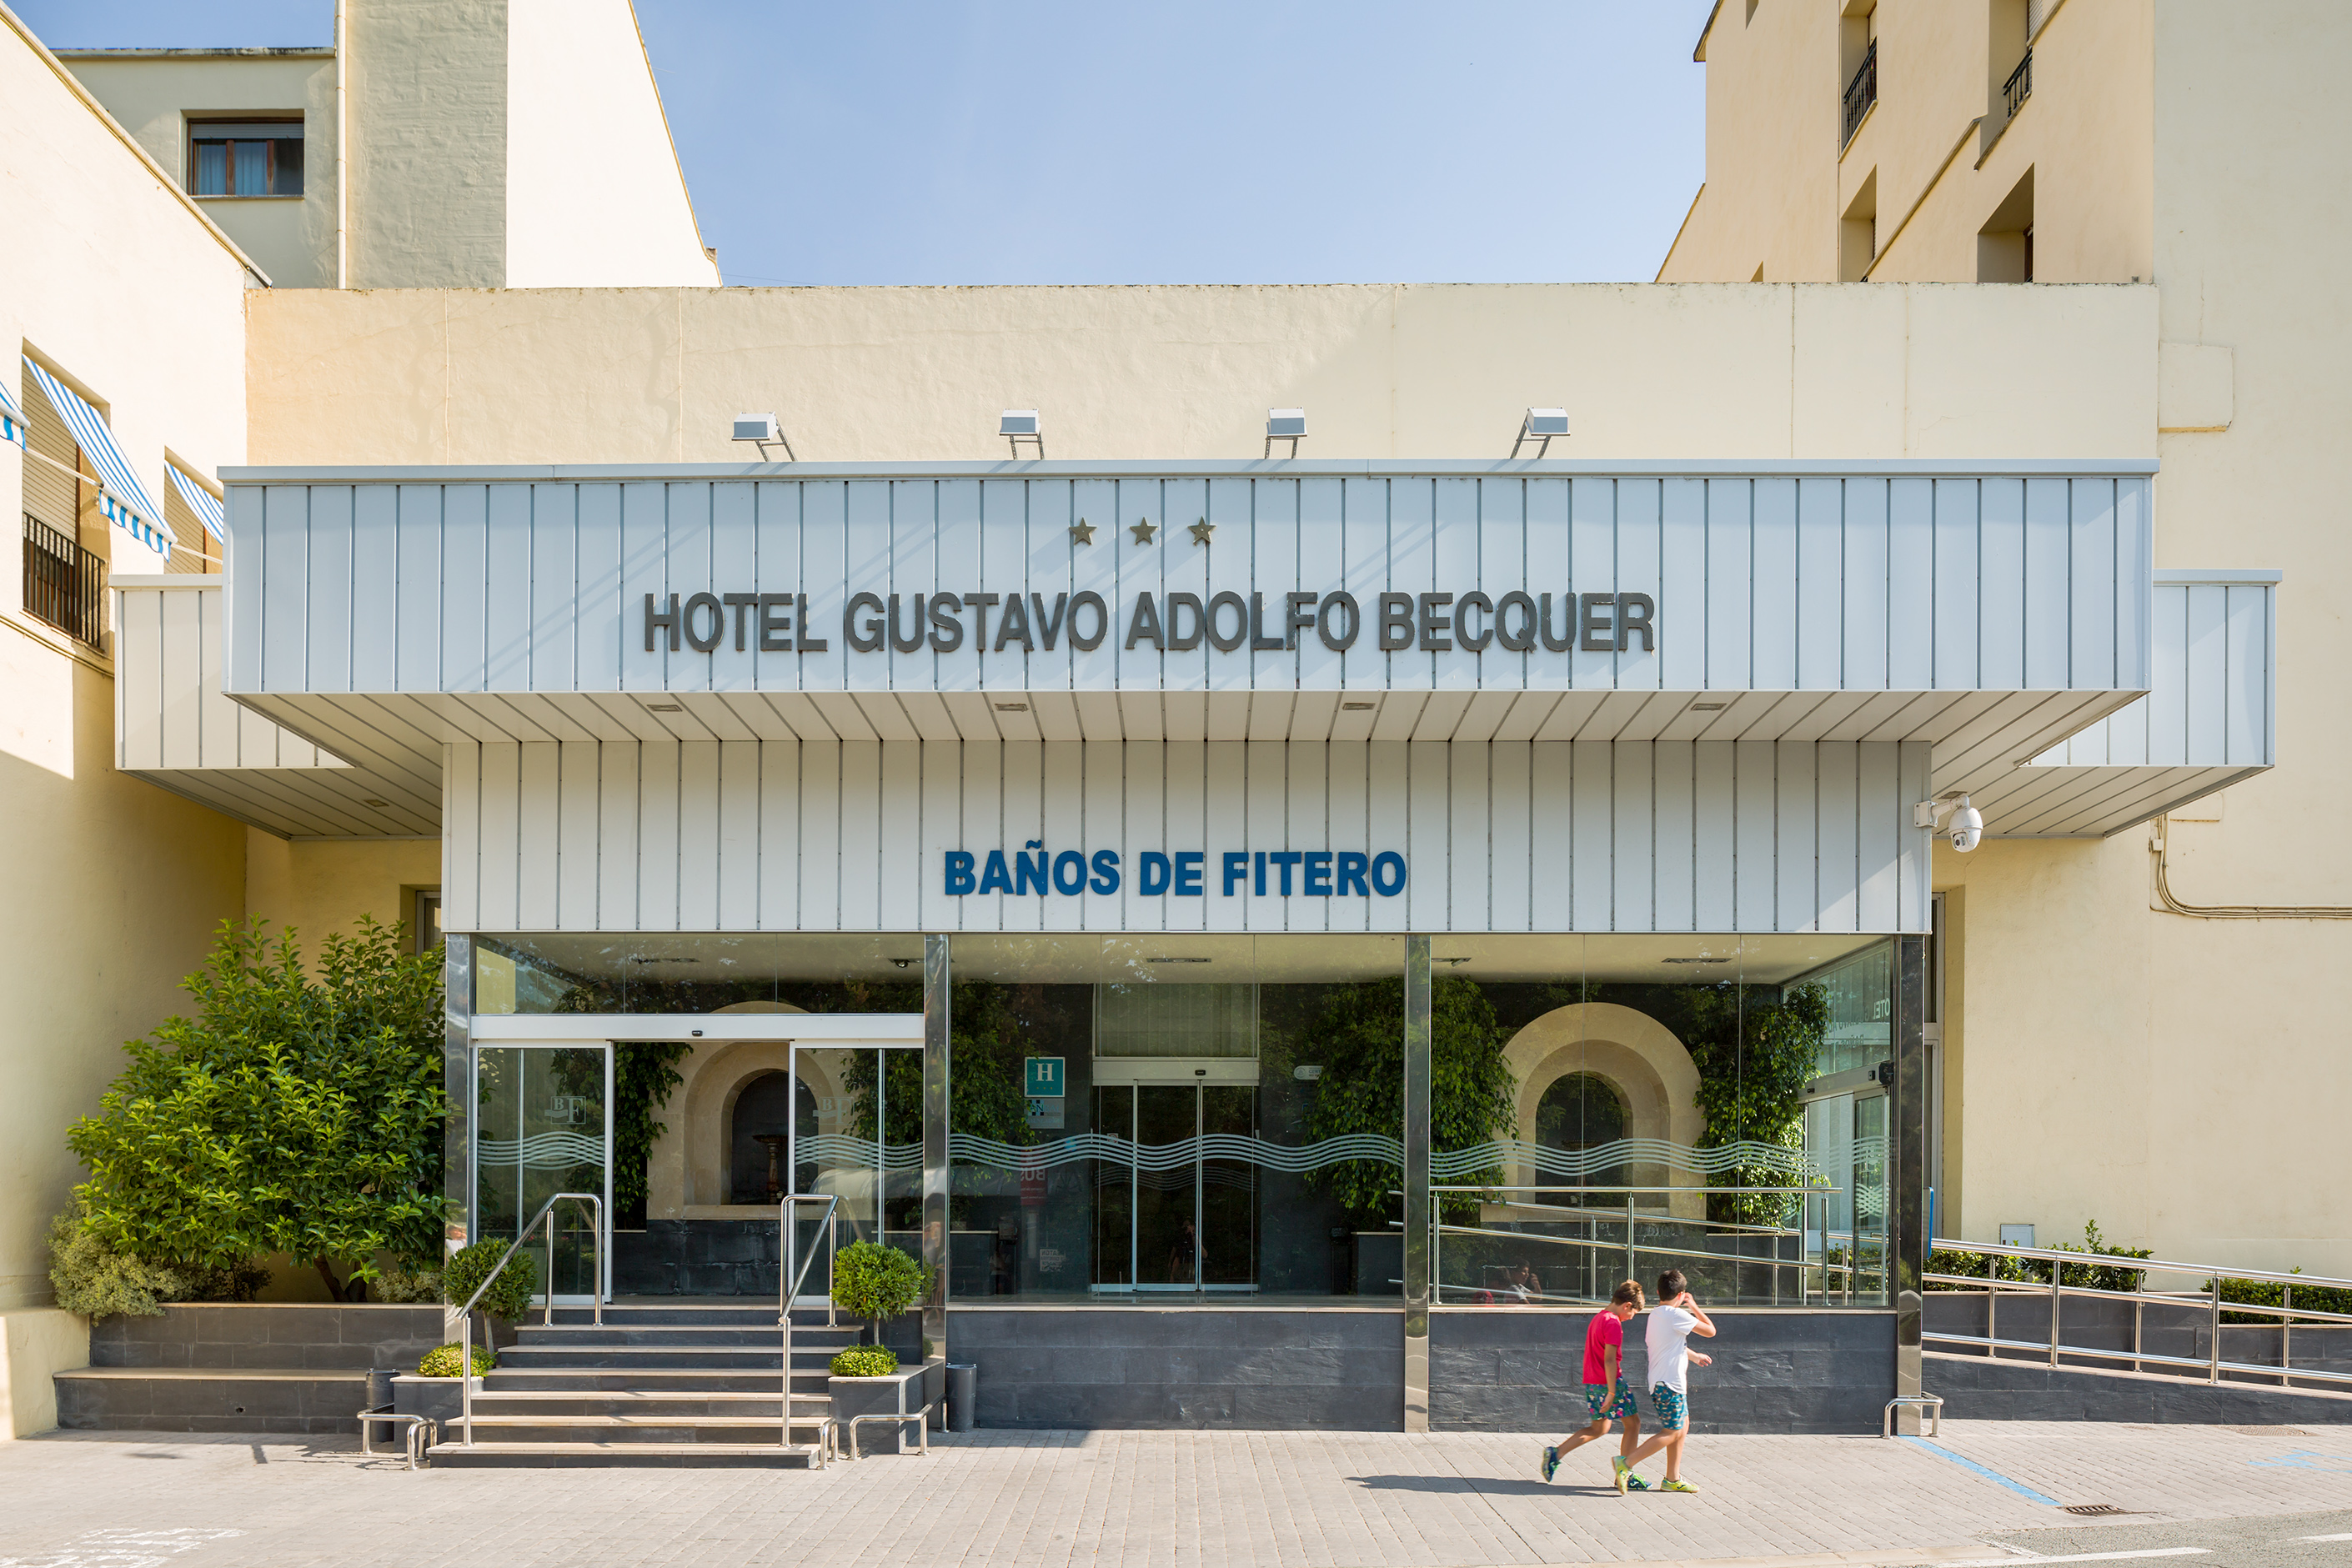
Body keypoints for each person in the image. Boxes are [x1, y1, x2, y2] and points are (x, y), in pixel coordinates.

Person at [1541, 1280, 1647, 1489]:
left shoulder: (1599, 1318)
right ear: (1627, 1305)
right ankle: (1625, 1473)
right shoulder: (1613, 1323)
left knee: (1599, 1428)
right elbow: (1610, 1360)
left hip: (1592, 1382)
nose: (1631, 1317)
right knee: (1633, 1424)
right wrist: (1612, 1391)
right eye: (1633, 1312)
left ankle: (1556, 1454)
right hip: (1609, 1383)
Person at [1619, 1269, 1716, 1494]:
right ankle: (1625, 1464)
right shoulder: (1676, 1315)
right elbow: (1710, 1331)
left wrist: (1694, 1356)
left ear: (1658, 1292)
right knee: (1672, 1431)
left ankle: (1672, 1479)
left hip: (1665, 1382)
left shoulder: (1656, 1315)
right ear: (1681, 1295)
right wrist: (1694, 1306)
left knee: (1682, 1426)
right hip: (1669, 1384)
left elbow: (1670, 1345)